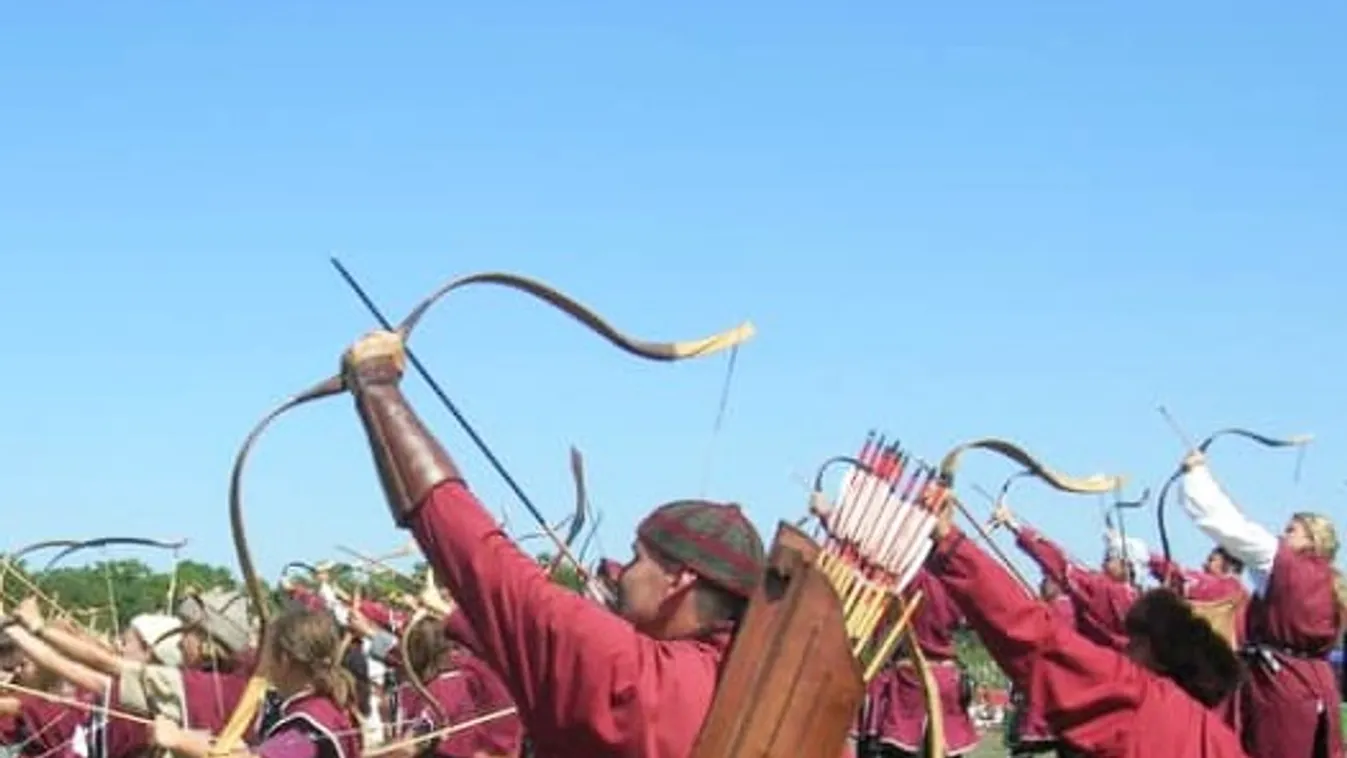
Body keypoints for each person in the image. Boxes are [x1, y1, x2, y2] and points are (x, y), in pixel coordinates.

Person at [337, 329, 766, 758]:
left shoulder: (638, 679)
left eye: (639, 557)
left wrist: (377, 388)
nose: (623, 568)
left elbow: (492, 572)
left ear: (679, 579)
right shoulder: (760, 688)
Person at [924, 491, 1250, 756]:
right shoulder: (1222, 741)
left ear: (1156, 651)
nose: (1128, 650)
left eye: (1135, 643)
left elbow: (1038, 639)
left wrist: (953, 547)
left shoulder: (1136, 695)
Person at [1180, 450, 1345, 758]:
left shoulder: (1284, 564)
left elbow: (1231, 528)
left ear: (1312, 540)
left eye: (1291, 530)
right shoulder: (1330, 579)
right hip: (1318, 686)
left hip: (1280, 687)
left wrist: (1197, 474)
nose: (1283, 535)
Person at [150, 608, 361, 758]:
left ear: (284, 661)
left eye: (267, 654)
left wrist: (177, 739)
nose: (262, 662)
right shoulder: (328, 705)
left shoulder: (309, 722)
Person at [991, 503, 1139, 651]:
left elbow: (1060, 565)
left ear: (1127, 566)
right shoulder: (1140, 601)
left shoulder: (1104, 591)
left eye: (1110, 557)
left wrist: (1014, 526)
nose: (1104, 561)